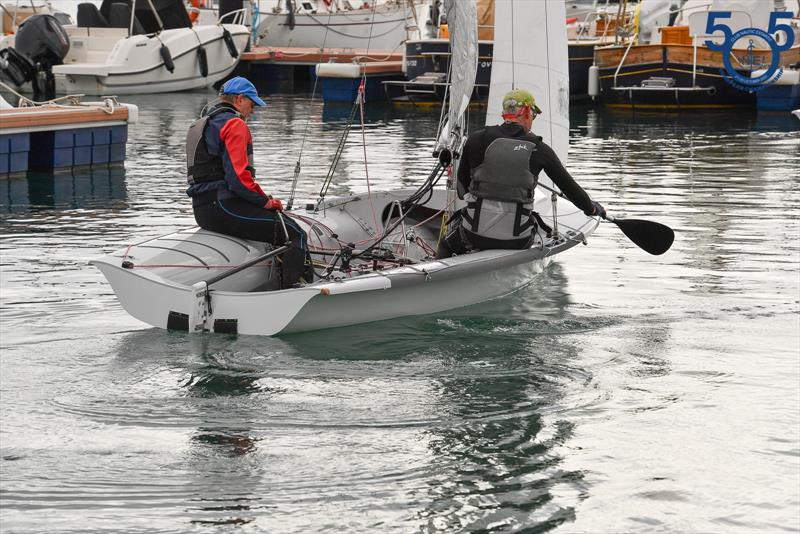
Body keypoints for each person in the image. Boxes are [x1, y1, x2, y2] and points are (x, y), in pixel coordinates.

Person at [437, 88, 605, 257]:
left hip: (474, 235)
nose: (532, 119)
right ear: (527, 112)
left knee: (445, 244)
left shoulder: (476, 139)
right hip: (518, 240)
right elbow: (570, 188)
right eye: (533, 114)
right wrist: (592, 209)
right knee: (537, 226)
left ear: (504, 113)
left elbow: (461, 191)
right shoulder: (540, 149)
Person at [185, 76, 309, 287]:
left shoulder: (202, 124)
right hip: (224, 208)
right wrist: (266, 202)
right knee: (296, 234)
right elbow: (238, 180)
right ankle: (293, 290)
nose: (252, 111)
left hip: (202, 210)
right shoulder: (235, 124)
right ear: (240, 99)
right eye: (252, 105)